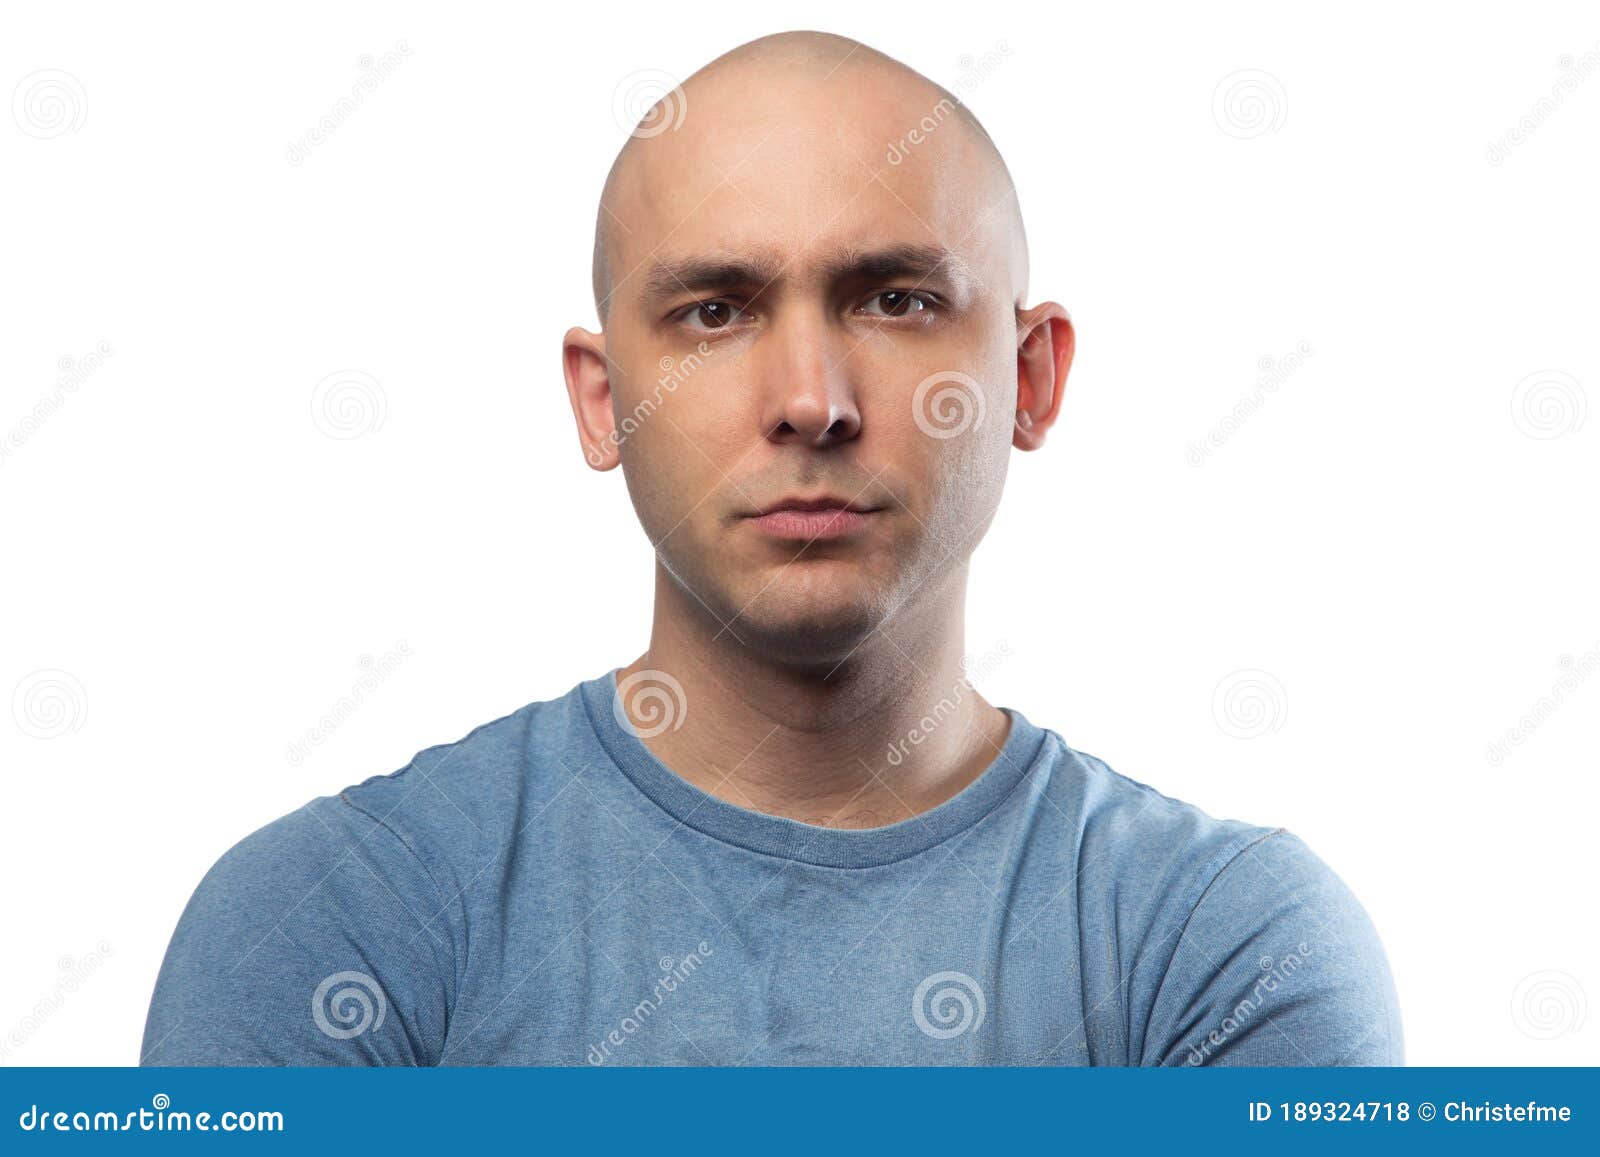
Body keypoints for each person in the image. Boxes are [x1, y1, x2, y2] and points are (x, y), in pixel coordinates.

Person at [142, 30, 1402, 1066]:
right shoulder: (326, 925)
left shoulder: (1229, 946)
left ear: (1028, 377)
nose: (811, 397)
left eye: (897, 299)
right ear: (600, 399)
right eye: (716, 311)